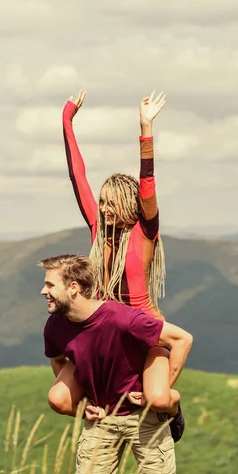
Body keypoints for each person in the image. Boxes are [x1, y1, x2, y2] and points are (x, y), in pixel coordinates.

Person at [49, 90, 184, 438]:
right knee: (60, 400)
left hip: (143, 328)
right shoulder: (98, 230)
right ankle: (94, 413)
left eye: (111, 204)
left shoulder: (145, 231)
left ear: (129, 204)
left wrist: (145, 127)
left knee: (156, 399)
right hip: (106, 329)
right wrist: (66, 120)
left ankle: (173, 404)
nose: (104, 209)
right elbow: (77, 175)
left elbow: (148, 181)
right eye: (102, 203)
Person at [39, 254, 193, 474]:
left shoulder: (121, 318)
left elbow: (181, 339)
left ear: (73, 287)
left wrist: (163, 388)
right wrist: (84, 403)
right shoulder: (55, 326)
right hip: (102, 417)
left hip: (143, 413)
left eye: (49, 284)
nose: (43, 291)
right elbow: (57, 358)